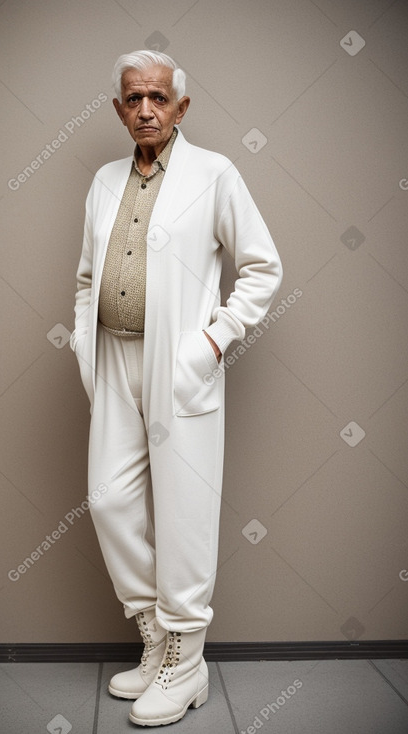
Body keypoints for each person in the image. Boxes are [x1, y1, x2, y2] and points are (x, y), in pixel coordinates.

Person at [70, 49, 282, 727]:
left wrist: (212, 341)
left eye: (158, 97)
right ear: (117, 108)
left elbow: (261, 267)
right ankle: (156, 641)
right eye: (133, 99)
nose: (146, 110)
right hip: (113, 359)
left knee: (185, 508)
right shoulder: (104, 180)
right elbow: (84, 275)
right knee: (108, 500)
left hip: (179, 362)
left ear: (180, 107)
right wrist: (83, 338)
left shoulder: (214, 173)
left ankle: (187, 664)